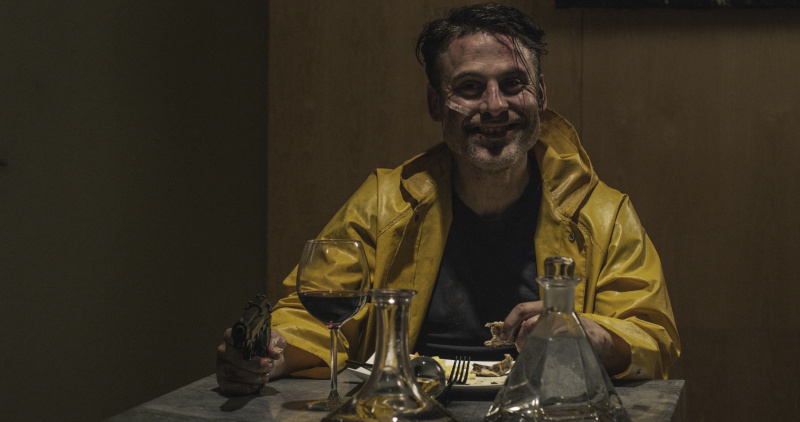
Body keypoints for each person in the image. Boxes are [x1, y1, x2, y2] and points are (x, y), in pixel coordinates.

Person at [216, 3, 680, 395]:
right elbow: (313, 316)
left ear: (540, 96)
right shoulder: (384, 204)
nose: (494, 105)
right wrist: (266, 356)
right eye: (470, 87)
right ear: (436, 102)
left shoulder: (602, 214)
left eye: (513, 83)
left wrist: (590, 334)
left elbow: (652, 338)